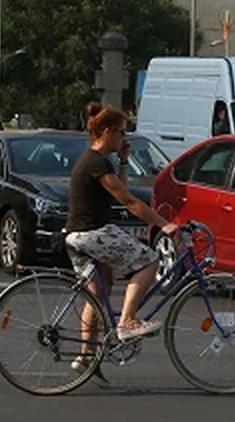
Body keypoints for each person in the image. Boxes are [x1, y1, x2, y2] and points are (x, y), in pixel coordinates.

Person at [65, 102, 179, 373]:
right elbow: (128, 201)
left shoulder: (96, 161)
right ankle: (127, 320)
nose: (124, 138)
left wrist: (125, 160)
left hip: (76, 235)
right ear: (106, 132)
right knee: (150, 261)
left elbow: (121, 188)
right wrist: (164, 225)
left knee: (97, 293)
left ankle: (85, 356)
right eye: (121, 133)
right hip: (93, 232)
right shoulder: (97, 162)